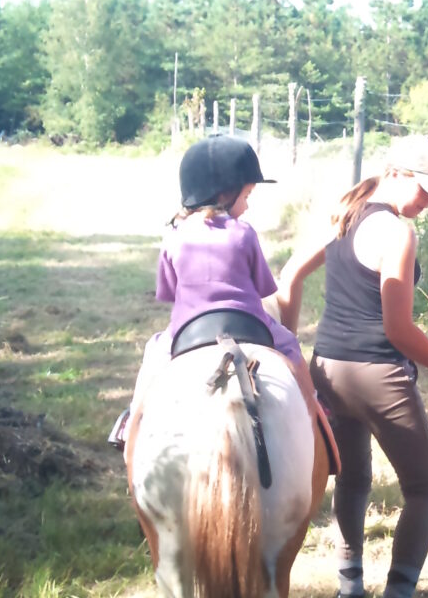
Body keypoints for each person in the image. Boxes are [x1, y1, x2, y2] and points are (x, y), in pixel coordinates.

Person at [277, 135, 428, 598]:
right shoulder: (399, 232)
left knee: (355, 477)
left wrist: (290, 349)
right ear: (398, 174)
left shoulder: (344, 212)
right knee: (426, 489)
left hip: (327, 368)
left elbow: (289, 277)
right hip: (377, 375)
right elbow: (401, 330)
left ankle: (348, 583)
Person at [109, 135, 315, 445]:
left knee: (153, 358)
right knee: (292, 349)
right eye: (246, 196)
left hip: (189, 330)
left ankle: (133, 425)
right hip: (250, 325)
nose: (247, 206)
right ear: (225, 194)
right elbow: (263, 289)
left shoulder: (174, 236)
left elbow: (167, 292)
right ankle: (313, 418)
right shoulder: (244, 233)